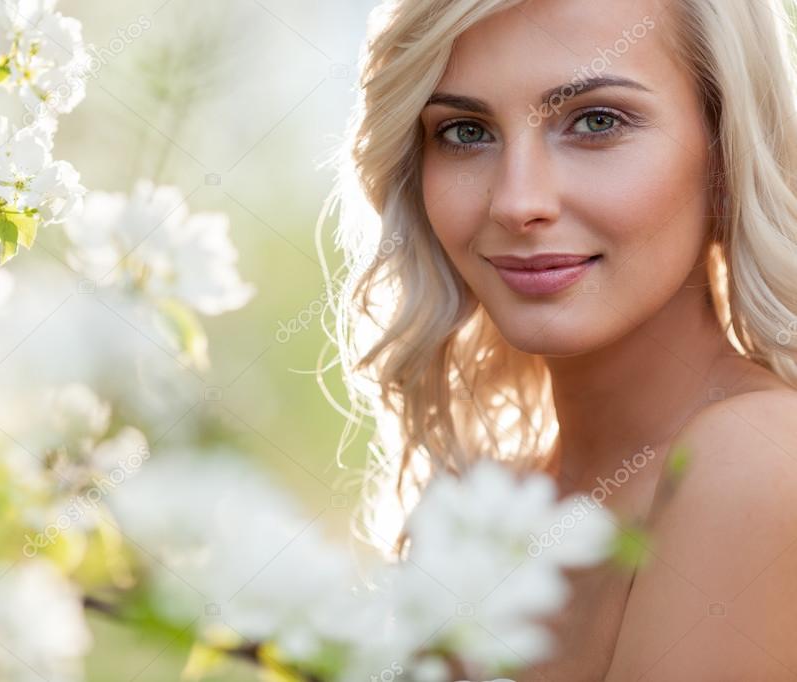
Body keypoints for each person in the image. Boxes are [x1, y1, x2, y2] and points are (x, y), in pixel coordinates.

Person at [319, 0, 797, 678]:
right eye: (463, 131)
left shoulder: (757, 458)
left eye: (596, 122)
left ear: (725, 150)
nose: (517, 202)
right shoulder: (484, 501)